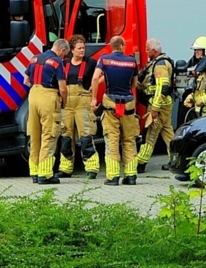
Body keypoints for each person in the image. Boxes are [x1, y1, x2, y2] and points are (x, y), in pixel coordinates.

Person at [91, 35, 139, 186]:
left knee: (112, 139)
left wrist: (93, 99)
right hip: (128, 105)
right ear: (122, 46)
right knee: (129, 139)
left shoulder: (104, 59)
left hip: (110, 104)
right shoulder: (132, 61)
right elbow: (134, 84)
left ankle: (113, 177)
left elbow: (95, 78)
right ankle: (131, 176)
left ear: (112, 46)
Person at [23, 38, 69, 184]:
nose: (64, 57)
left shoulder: (34, 58)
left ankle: (34, 172)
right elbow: (62, 88)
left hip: (33, 95)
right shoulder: (57, 62)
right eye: (64, 54)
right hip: (48, 96)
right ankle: (45, 174)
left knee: (35, 135)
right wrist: (63, 102)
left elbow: (26, 81)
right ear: (62, 50)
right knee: (49, 134)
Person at [57, 35, 100, 180]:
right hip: (67, 103)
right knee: (66, 136)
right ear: (72, 50)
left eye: (83, 48)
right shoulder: (64, 63)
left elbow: (101, 76)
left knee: (86, 136)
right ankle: (65, 168)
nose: (82, 51)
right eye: (79, 48)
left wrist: (93, 88)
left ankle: (92, 167)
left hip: (83, 102)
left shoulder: (91, 63)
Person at [135, 38, 176, 173]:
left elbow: (162, 87)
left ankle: (140, 163)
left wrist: (154, 109)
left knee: (150, 133)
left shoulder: (160, 64)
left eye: (147, 49)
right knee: (167, 132)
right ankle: (176, 160)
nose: (146, 52)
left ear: (154, 50)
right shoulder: (159, 62)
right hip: (164, 104)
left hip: (158, 104)